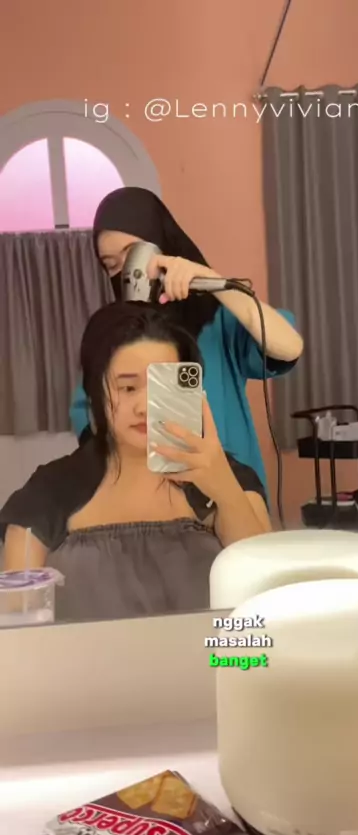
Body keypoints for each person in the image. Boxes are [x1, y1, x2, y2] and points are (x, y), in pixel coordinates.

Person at [0, 302, 271, 622]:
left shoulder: (231, 479)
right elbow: (18, 617)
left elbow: (264, 599)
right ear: (95, 391)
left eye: (161, 387)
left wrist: (225, 489)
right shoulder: (49, 491)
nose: (144, 407)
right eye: (128, 388)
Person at [70, 187, 303, 492]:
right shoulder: (112, 335)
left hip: (231, 490)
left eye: (133, 254)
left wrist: (213, 281)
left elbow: (289, 347)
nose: (125, 272)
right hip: (148, 497)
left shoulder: (221, 319)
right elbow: (87, 415)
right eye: (111, 265)